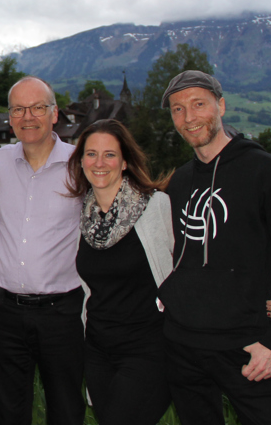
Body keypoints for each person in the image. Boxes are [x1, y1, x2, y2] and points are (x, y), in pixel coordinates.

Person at [159, 70, 271, 425]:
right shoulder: (180, 181)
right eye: (178, 109)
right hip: (182, 346)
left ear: (222, 106)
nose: (189, 117)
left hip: (246, 348)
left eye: (198, 104)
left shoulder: (265, 171)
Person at [0, 76, 87, 425]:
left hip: (62, 313)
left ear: (54, 113)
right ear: (10, 116)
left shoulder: (81, 165)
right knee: (10, 410)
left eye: (37, 108)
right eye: (18, 109)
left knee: (65, 409)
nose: (27, 117)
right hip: (6, 312)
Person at [66, 119, 173, 425]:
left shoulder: (156, 207)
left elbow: (193, 266)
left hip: (148, 348)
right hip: (99, 349)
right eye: (91, 154)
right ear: (81, 161)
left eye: (109, 155)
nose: (99, 163)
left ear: (125, 161)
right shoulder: (84, 217)